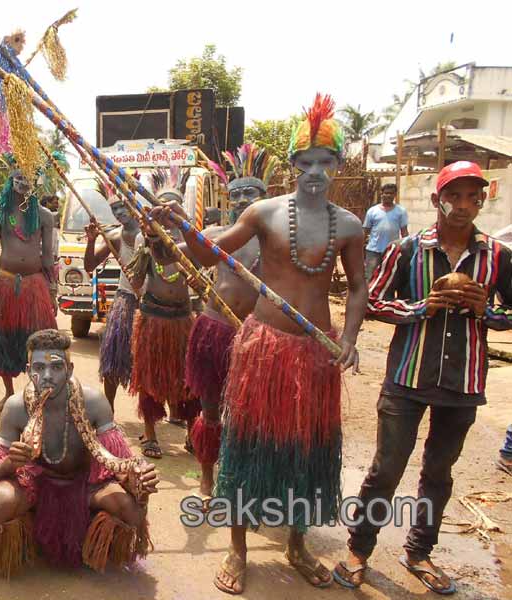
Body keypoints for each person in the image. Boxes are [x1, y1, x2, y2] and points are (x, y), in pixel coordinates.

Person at [150, 93, 365, 594]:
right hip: (263, 349)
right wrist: (170, 234)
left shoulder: (349, 226)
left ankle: (296, 544)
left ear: (336, 166)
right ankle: (237, 549)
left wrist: (349, 337)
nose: (314, 170)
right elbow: (208, 253)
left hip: (315, 353)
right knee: (247, 449)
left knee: (306, 453)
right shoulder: (265, 213)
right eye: (305, 161)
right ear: (293, 165)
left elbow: (358, 287)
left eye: (324, 162)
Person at [334, 161, 512, 595]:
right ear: (437, 200)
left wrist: (483, 309)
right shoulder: (408, 249)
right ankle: (359, 549)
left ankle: (418, 551)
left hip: (463, 382)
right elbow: (374, 301)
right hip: (406, 377)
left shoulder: (497, 256)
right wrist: (421, 307)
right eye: (453, 196)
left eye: (472, 197)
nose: (462, 206)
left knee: (439, 471)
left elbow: (509, 314)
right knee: (386, 468)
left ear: (482, 201)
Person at [0, 329, 158, 577]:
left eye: (56, 367)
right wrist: (10, 463)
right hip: (36, 484)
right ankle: (33, 535)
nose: (47, 376)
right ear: (28, 370)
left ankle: (92, 540)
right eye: (38, 368)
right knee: (0, 503)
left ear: (69, 369)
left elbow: (115, 463)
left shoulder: (93, 402)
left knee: (130, 510)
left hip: (85, 484)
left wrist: (136, 478)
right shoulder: (16, 407)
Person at [187, 145, 272, 498]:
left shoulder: (277, 240)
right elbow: (186, 246)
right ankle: (207, 474)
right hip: (214, 329)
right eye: (235, 194)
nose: (241, 200)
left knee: (251, 415)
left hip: (257, 336)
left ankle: (244, 477)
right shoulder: (216, 234)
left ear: (265, 197)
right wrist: (169, 222)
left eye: (249, 193)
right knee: (210, 409)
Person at [125, 167, 198, 460]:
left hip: (182, 319)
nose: (167, 217)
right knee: (150, 378)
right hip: (153, 317)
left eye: (172, 211)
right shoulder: (147, 239)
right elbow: (138, 282)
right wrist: (140, 260)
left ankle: (193, 432)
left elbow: (202, 270)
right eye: (162, 210)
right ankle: (151, 433)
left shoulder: (192, 242)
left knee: (188, 380)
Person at [0, 159, 57, 413]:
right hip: (6, 284)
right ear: (10, 180)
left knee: (39, 340)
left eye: (28, 179)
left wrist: (53, 291)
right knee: (5, 338)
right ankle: (9, 394)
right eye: (19, 178)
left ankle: (37, 391)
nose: (23, 183)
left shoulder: (45, 217)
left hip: (35, 285)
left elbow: (48, 258)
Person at [83, 181, 140, 409]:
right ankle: (109, 407)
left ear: (134, 205)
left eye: (123, 206)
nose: (119, 213)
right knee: (113, 357)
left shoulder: (152, 233)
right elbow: (90, 264)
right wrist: (91, 240)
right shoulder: (115, 237)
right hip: (124, 300)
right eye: (114, 209)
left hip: (150, 303)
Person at [363, 182, 408, 278]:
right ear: (381, 194)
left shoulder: (401, 211)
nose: (388, 195)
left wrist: (407, 248)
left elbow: (404, 232)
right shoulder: (372, 211)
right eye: (386, 193)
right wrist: (359, 248)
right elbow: (365, 231)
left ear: (395, 195)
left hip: (392, 251)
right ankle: (369, 293)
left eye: (391, 193)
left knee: (389, 277)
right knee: (370, 277)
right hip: (373, 251)